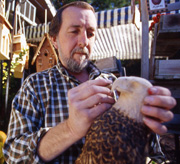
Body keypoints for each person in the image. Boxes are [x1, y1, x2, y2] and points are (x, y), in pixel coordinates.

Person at [3, 1, 176, 163]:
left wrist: (147, 127)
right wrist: (70, 129)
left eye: (90, 33)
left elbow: (154, 155)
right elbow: (12, 156)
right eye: (74, 31)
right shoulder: (35, 86)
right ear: (54, 40)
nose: (84, 41)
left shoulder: (117, 86)